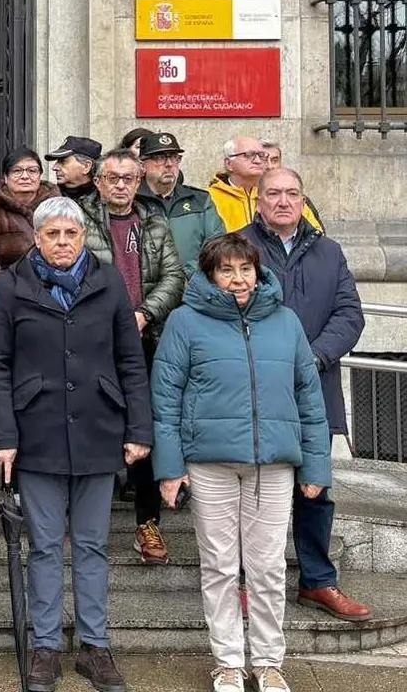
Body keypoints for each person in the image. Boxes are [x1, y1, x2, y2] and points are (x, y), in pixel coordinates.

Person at [0, 196, 152, 692]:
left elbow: (130, 359)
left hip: (99, 430)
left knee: (94, 545)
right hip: (36, 434)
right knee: (43, 548)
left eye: (70, 234)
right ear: (36, 238)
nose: (61, 243)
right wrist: (4, 436)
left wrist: (139, 429)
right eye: (52, 234)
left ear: (83, 238)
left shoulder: (108, 282)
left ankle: (95, 648)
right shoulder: (11, 287)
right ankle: (46, 648)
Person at [151, 233, 330, 692]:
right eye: (226, 270)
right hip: (210, 464)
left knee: (268, 567)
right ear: (210, 274)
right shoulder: (184, 322)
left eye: (245, 269)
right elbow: (165, 398)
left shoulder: (286, 321)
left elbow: (309, 398)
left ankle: (269, 661)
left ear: (258, 270)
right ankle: (228, 662)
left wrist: (316, 467)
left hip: (273, 465)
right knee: (220, 565)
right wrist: (170, 468)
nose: (237, 279)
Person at [239, 167, 370, 624]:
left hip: (316, 388)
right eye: (273, 193)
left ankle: (317, 581)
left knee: (315, 491)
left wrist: (313, 357)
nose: (282, 201)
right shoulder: (238, 247)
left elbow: (350, 315)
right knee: (251, 490)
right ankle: (245, 583)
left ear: (303, 199)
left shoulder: (329, 251)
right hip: (255, 391)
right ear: (258, 201)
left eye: (291, 193)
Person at [80, 149, 184, 565]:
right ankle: (81, 520)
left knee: (142, 429)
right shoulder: (78, 219)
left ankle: (147, 524)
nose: (121, 185)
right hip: (91, 340)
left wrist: (144, 314)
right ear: (98, 182)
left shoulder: (154, 224)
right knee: (90, 423)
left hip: (144, 338)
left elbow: (174, 276)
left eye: (128, 178)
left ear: (138, 182)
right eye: (112, 178)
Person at [0, 147, 59, 311]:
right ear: (5, 177)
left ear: (40, 175)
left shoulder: (56, 206)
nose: (25, 176)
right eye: (17, 171)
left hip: (54, 297)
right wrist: (7, 291)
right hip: (7, 300)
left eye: (32, 170)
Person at [135, 132, 225, 268]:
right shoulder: (131, 201)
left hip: (192, 285)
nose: (169, 164)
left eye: (174, 157)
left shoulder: (199, 200)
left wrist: (187, 277)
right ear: (142, 165)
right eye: (160, 158)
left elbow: (217, 247)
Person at [209, 136, 322, 233]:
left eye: (261, 155)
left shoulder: (287, 196)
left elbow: (315, 234)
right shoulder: (209, 198)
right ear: (229, 164)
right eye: (248, 155)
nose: (258, 161)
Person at [45, 135, 102, 202]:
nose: (54, 167)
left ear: (86, 166)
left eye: (63, 161)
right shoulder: (46, 197)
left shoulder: (107, 198)